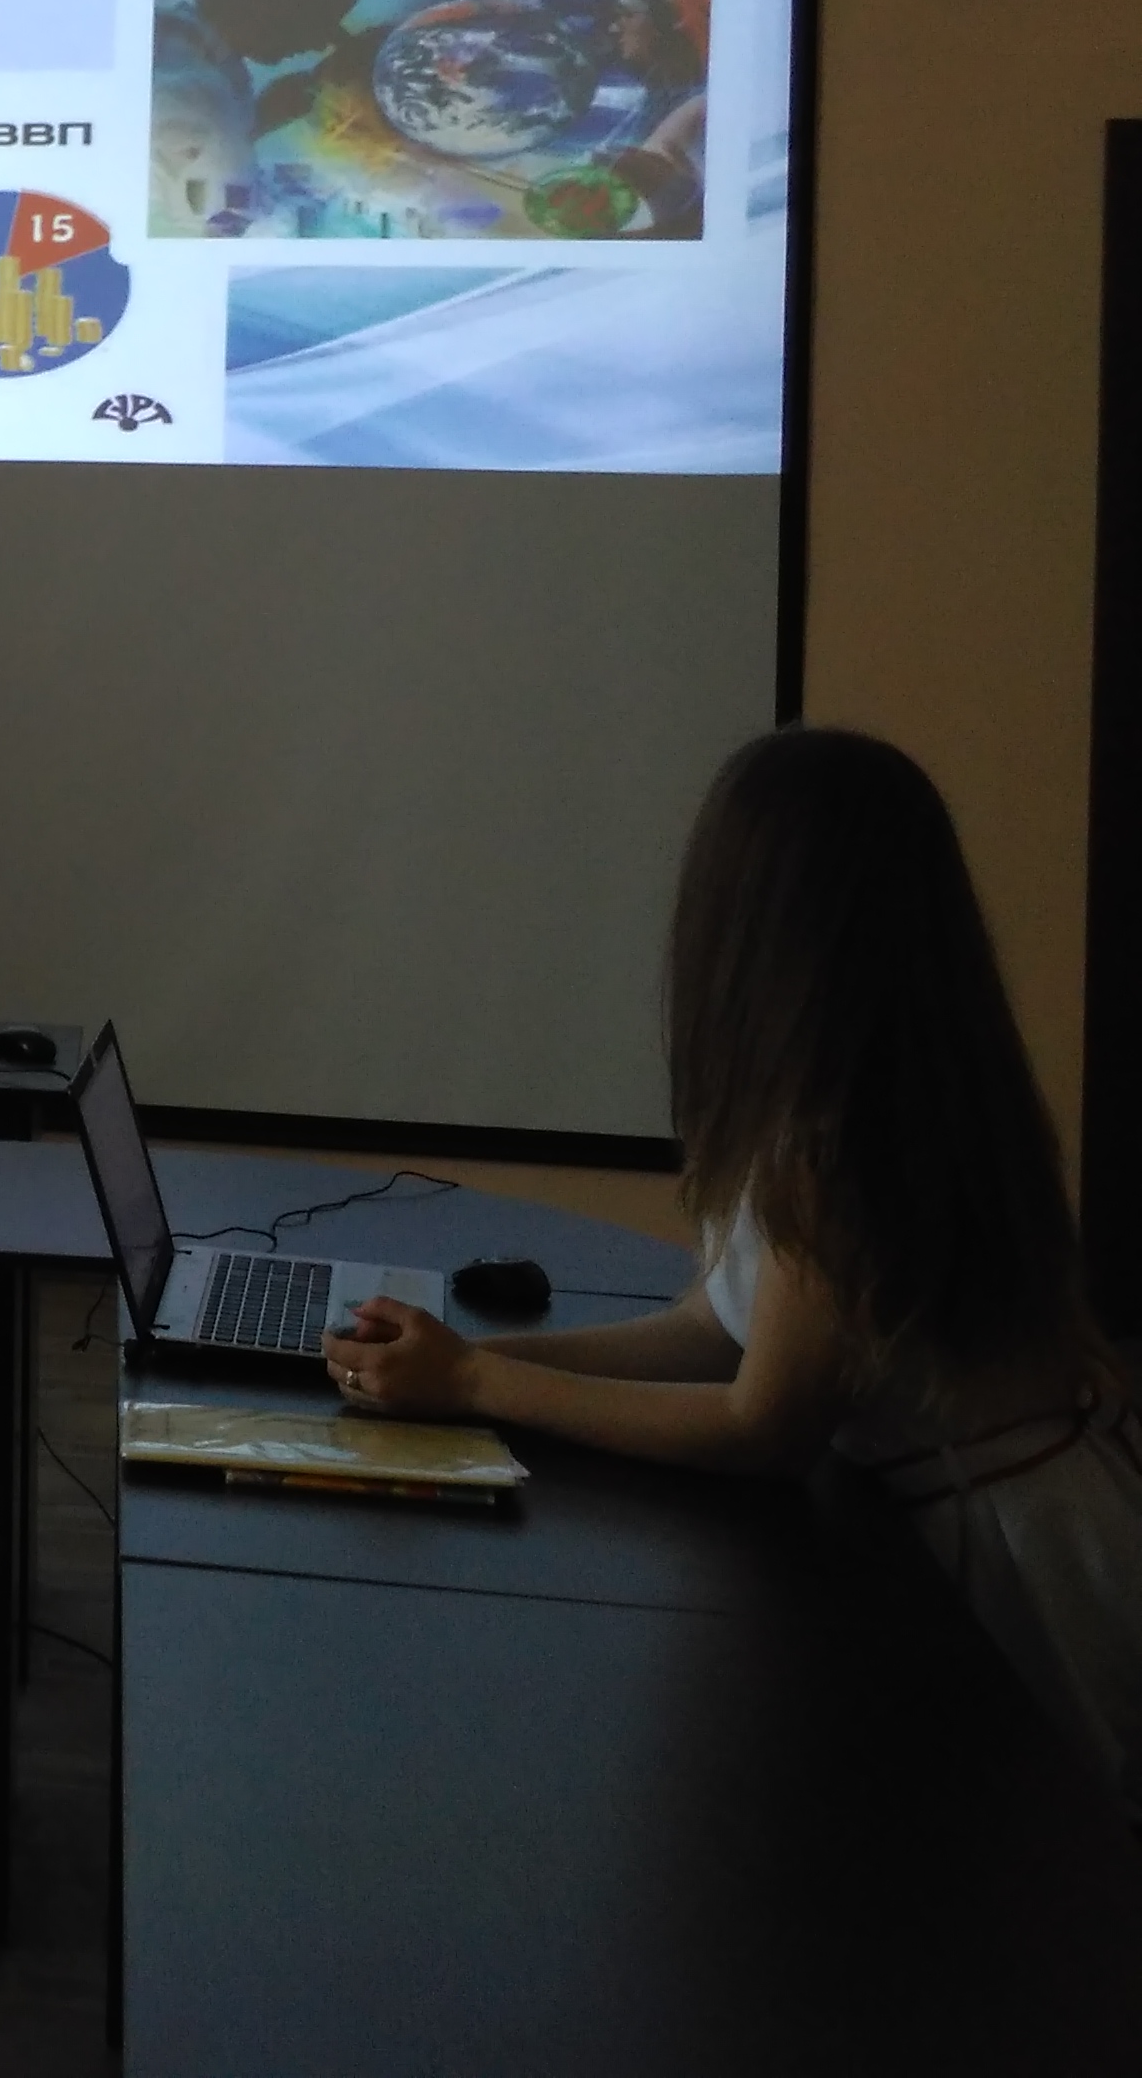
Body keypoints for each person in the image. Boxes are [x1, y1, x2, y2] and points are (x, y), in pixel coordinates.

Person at [330, 726, 1142, 1814]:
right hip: (1019, 1526)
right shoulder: (856, 1095)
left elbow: (765, 1426)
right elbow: (715, 1328)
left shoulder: (839, 1146)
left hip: (1018, 1583)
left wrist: (479, 1384)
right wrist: (472, 1362)